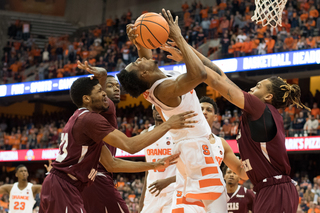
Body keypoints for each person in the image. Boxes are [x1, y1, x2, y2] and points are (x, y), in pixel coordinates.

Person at [160, 32, 309, 213]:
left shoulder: (260, 107)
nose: (253, 87)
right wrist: (185, 48)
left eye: (259, 86)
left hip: (275, 189)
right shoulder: (257, 114)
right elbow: (219, 73)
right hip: (266, 188)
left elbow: (215, 80)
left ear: (268, 96)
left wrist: (185, 50)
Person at [118, 9, 227, 212]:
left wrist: (139, 40)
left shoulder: (154, 80)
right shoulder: (164, 90)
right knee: (218, 208)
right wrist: (178, 36)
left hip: (188, 150)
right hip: (196, 150)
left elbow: (144, 57)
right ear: (143, 73)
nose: (139, 57)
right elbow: (200, 73)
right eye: (136, 62)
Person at [39, 73, 196, 213]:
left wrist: (154, 165)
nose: (104, 95)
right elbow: (131, 146)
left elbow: (112, 163)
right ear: (86, 98)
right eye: (100, 92)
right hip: (64, 186)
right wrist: (168, 124)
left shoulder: (81, 118)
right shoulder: (90, 119)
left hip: (61, 185)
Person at [146, 96, 248, 212]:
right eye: (201, 109)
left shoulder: (221, 143)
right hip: (185, 199)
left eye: (208, 110)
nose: (204, 112)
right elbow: (164, 114)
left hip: (212, 198)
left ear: (215, 117)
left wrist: (255, 158)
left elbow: (241, 172)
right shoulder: (182, 133)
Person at [139, 105, 176, 213]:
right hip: (152, 192)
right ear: (152, 111)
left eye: (162, 108)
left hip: (172, 191)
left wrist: (168, 181)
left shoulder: (175, 133)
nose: (158, 111)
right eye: (156, 108)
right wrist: (142, 199)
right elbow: (147, 171)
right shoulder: (145, 134)